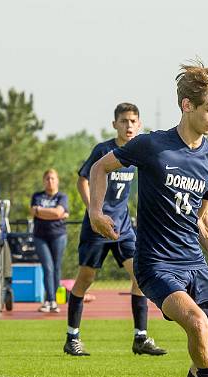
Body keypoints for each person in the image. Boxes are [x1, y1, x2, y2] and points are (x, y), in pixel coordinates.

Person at [89, 61, 208, 377]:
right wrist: (96, 211)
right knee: (196, 323)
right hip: (156, 264)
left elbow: (202, 220)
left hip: (195, 263)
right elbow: (99, 169)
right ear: (187, 105)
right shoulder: (151, 145)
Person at [64, 102, 166, 357]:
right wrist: (93, 211)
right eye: (123, 121)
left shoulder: (138, 152)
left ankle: (140, 337)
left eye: (133, 121)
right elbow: (82, 180)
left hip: (123, 229)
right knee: (85, 280)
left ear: (139, 124)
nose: (128, 125)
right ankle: (72, 336)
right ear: (115, 124)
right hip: (97, 229)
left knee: (139, 276)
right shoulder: (104, 150)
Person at [30, 169, 69, 313]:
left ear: (57, 180)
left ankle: (53, 301)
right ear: (43, 180)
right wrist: (55, 214)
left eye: (52, 178)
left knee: (56, 267)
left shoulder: (62, 197)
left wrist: (41, 212)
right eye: (47, 178)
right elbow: (34, 211)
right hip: (40, 236)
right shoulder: (37, 196)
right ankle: (49, 300)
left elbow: (59, 212)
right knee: (47, 267)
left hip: (58, 236)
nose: (50, 181)